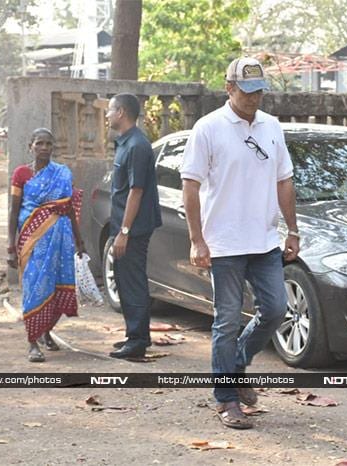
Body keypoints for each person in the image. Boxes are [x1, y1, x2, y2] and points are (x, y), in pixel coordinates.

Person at [181, 56, 300, 429]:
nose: (254, 98)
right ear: (229, 87)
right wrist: (197, 239)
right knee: (227, 320)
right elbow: (190, 185)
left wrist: (292, 230)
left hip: (264, 240)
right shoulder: (208, 128)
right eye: (247, 91)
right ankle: (227, 398)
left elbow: (284, 181)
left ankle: (235, 365)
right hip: (225, 244)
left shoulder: (272, 127)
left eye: (259, 91)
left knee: (277, 309)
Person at [8, 128, 85, 363]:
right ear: (30, 145)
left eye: (48, 144)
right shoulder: (21, 174)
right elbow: (14, 210)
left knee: (56, 286)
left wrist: (79, 240)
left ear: (53, 147)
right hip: (32, 240)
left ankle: (47, 331)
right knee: (34, 287)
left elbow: (69, 207)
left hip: (60, 239)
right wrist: (10, 246)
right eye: (39, 143)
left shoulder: (62, 173)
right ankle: (32, 340)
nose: (44, 147)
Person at [106, 93, 162, 359]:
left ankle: (138, 341)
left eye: (109, 111)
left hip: (134, 229)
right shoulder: (125, 143)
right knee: (123, 280)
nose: (106, 116)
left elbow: (136, 191)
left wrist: (125, 232)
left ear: (121, 112)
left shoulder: (138, 145)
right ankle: (133, 335)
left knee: (133, 281)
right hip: (123, 226)